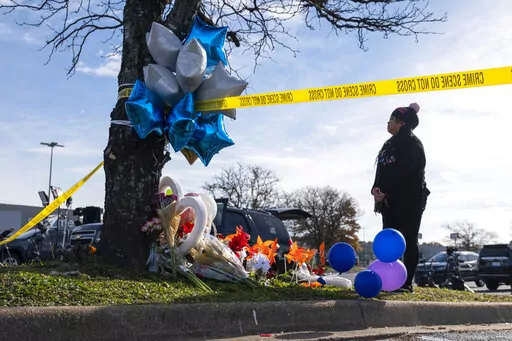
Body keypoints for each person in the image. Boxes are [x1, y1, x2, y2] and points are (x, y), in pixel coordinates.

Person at [371, 102, 430, 293]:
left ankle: (406, 283)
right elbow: (381, 170)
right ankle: (390, 281)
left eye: (390, 120)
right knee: (389, 240)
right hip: (389, 201)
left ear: (401, 122)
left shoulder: (412, 144)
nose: (387, 123)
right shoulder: (388, 145)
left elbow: (404, 171)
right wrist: (376, 189)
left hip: (410, 200)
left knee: (408, 239)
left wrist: (386, 188)